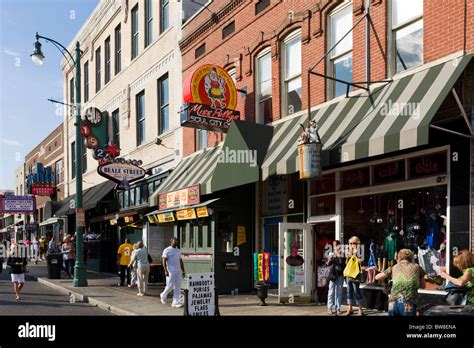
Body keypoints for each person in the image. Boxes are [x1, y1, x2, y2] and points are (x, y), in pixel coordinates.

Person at [375, 249, 426, 316]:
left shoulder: (393, 267)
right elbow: (423, 285)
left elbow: (377, 277)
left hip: (393, 303)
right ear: (411, 257)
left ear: (399, 257)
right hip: (408, 303)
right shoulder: (417, 267)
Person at [160, 237, 185, 308]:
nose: (176, 242)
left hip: (178, 271)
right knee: (170, 286)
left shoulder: (178, 250)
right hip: (170, 271)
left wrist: (183, 271)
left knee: (177, 287)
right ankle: (163, 294)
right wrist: (165, 270)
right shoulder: (167, 250)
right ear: (171, 242)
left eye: (177, 241)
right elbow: (164, 261)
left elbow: (181, 261)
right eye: (175, 241)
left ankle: (175, 302)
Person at [344, 236, 364, 316]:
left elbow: (361, 261)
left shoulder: (360, 251)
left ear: (357, 243)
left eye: (354, 243)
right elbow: (347, 264)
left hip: (356, 274)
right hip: (349, 274)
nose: (352, 245)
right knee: (349, 291)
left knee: (356, 291)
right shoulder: (349, 251)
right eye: (351, 243)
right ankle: (350, 308)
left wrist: (355, 254)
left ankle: (360, 309)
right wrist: (347, 256)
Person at [326, 240, 344, 315]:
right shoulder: (330, 253)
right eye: (333, 245)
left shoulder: (342, 254)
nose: (335, 247)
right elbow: (327, 264)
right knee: (331, 292)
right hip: (332, 275)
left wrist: (337, 254)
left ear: (339, 246)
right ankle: (329, 308)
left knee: (339, 293)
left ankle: (338, 308)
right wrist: (328, 261)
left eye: (336, 245)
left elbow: (341, 263)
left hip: (340, 275)